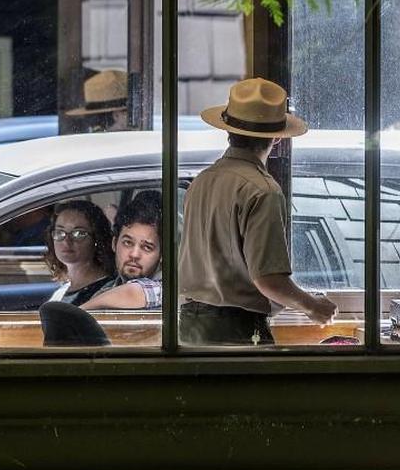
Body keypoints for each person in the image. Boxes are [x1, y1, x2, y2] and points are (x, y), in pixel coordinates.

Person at [178, 77, 338, 345]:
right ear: (277, 137)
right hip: (235, 331)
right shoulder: (263, 191)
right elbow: (268, 280)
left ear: (228, 129)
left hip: (190, 326)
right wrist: (313, 306)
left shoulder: (203, 180)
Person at [39, 190, 163, 346]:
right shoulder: (106, 290)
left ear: (161, 255)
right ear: (114, 243)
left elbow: (137, 292)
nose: (134, 254)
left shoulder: (167, 292)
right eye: (127, 242)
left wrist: (74, 314)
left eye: (147, 247)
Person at [43, 201, 116, 307]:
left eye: (78, 233)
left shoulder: (105, 291)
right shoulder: (62, 290)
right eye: (60, 232)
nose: (66, 241)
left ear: (97, 238)